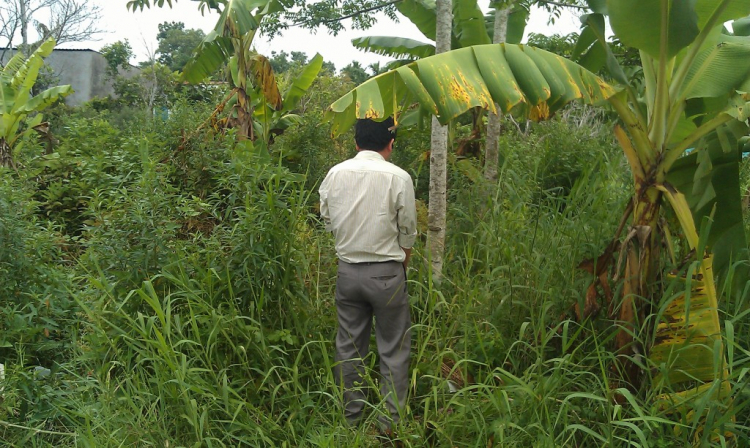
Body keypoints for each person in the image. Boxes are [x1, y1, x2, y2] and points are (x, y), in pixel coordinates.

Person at [319, 117, 417, 431]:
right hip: (388, 274)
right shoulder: (399, 177)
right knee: (393, 348)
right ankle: (389, 426)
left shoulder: (335, 173)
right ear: (390, 144)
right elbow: (408, 232)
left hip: (347, 273)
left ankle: (350, 421)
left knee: (348, 348)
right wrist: (402, 265)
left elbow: (327, 219)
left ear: (357, 143)